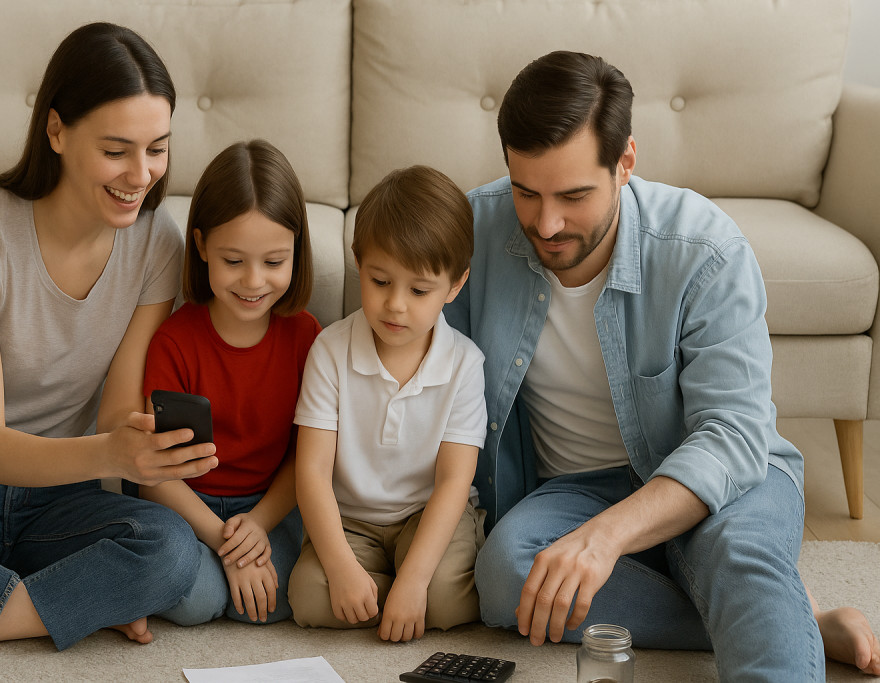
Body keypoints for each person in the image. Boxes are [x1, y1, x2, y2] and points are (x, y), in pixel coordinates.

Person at [446, 50, 880, 679]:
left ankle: (759, 606)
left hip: (716, 475)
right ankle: (794, 619)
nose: (547, 223)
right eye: (525, 191)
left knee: (741, 555)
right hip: (572, 489)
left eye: (573, 195)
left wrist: (609, 538)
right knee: (507, 572)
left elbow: (732, 435)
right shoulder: (473, 232)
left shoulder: (705, 249)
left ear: (625, 162)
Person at [0, 23, 217, 670]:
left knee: (170, 547)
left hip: (60, 497)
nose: (142, 174)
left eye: (157, 148)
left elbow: (112, 415)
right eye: (117, 151)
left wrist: (141, 448)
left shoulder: (155, 240)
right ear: (56, 132)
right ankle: (67, 602)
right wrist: (112, 453)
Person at [289, 165, 487, 642]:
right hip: (351, 519)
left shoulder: (464, 363)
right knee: (309, 597)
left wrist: (416, 581)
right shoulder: (330, 351)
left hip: (428, 513)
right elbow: (312, 472)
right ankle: (386, 594)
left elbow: (454, 481)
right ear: (359, 263)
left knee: (444, 596)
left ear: (454, 287)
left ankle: (405, 592)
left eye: (419, 291)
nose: (396, 305)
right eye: (380, 282)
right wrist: (340, 568)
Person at [139, 139, 320, 626]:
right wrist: (225, 541)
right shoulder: (174, 342)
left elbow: (308, 456)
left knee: (279, 601)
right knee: (194, 600)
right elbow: (157, 476)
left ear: (296, 251)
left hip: (268, 506)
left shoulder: (305, 337)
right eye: (234, 261)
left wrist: (256, 527)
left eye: (274, 262)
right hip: (187, 509)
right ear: (200, 246)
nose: (254, 282)